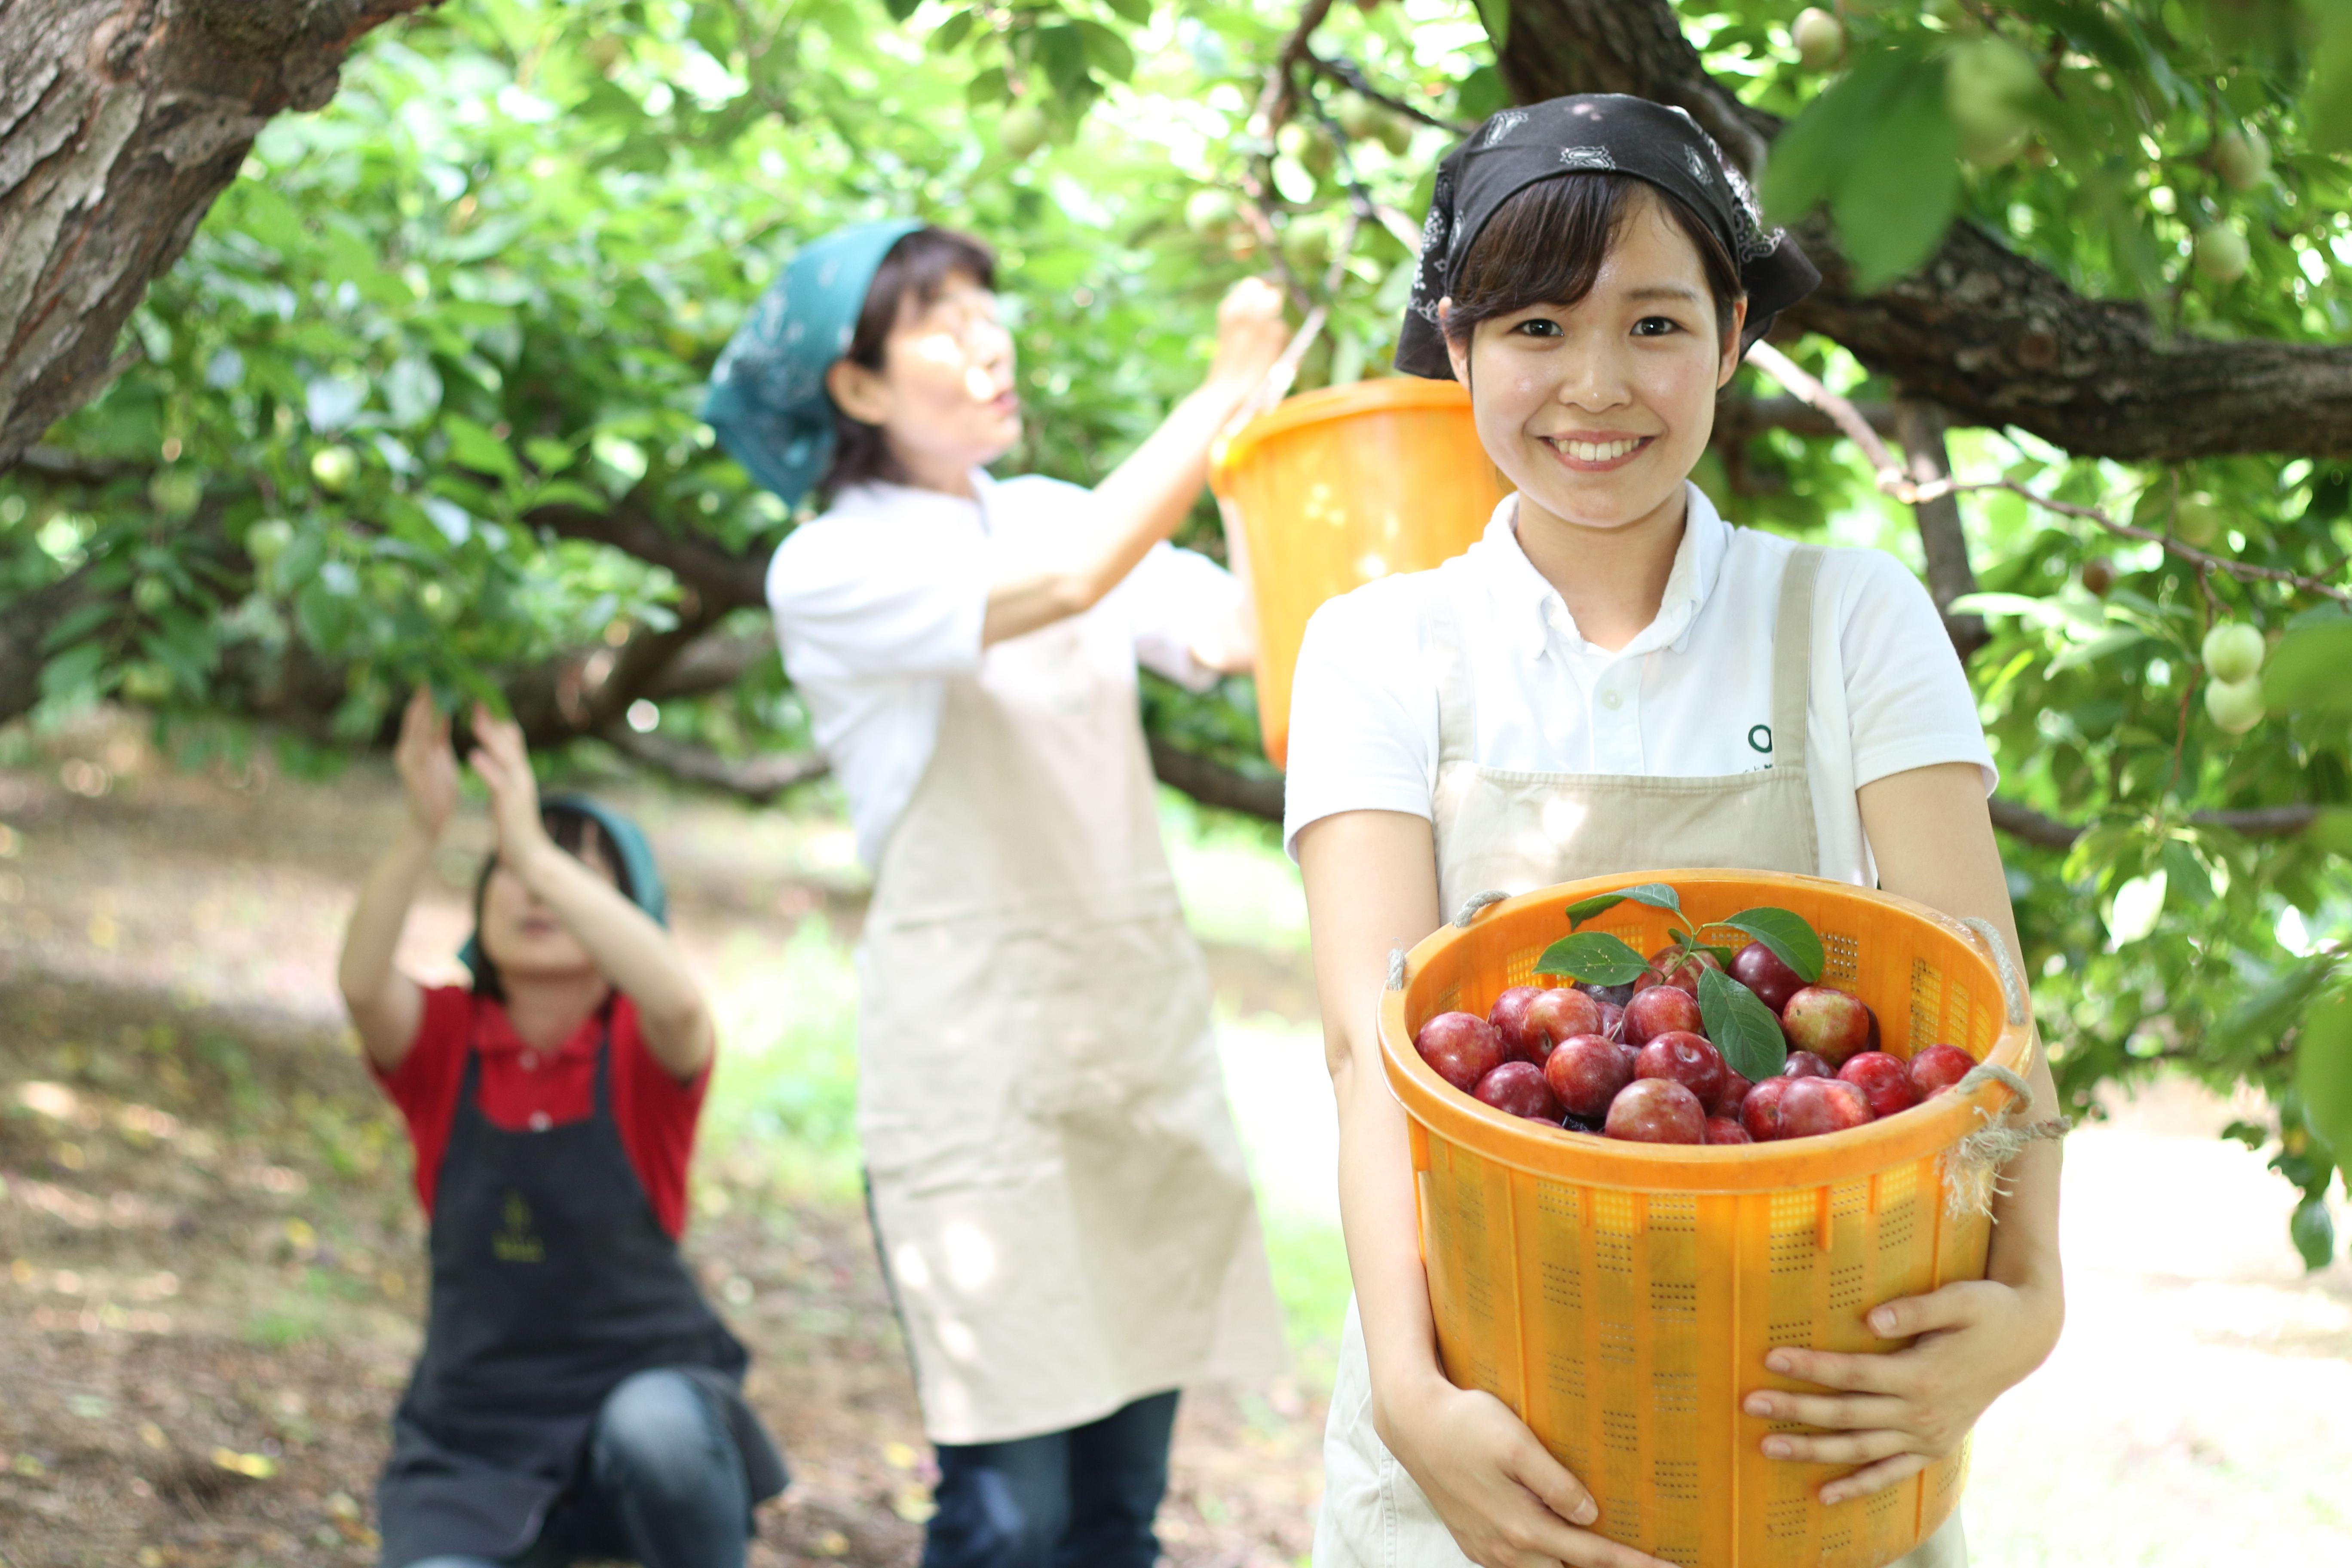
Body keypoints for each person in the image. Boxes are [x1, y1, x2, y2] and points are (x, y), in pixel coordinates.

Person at [1283, 97, 2064, 1568]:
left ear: (1733, 333)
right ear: (1455, 345)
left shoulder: (1847, 616)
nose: (1594, 385)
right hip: (1494, 1388)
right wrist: (1409, 1394)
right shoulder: (1381, 647)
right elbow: (1366, 1049)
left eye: (1653, 325)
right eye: (1532, 327)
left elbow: (1989, 1016)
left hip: (1805, 1391)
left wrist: (2027, 1303)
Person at [701, 221, 1292, 1568]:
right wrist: (1214, 395)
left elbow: (1235, 635)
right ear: (854, 388)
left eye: (986, 303)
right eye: (940, 320)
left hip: (1126, 1040)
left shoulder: (1049, 510)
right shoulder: (832, 567)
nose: (988, 335)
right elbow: (1073, 583)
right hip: (977, 1069)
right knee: (1007, 1519)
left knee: (1115, 1519)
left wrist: (1258, 452)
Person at [341, 690, 787, 1568]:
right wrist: (423, 829)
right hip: (477, 1439)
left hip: (641, 1407)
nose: (537, 891)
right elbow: (362, 987)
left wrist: (536, 852)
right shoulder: (446, 1040)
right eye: (510, 871)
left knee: (659, 1429)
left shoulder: (642, 1050)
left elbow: (677, 998)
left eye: (578, 877)